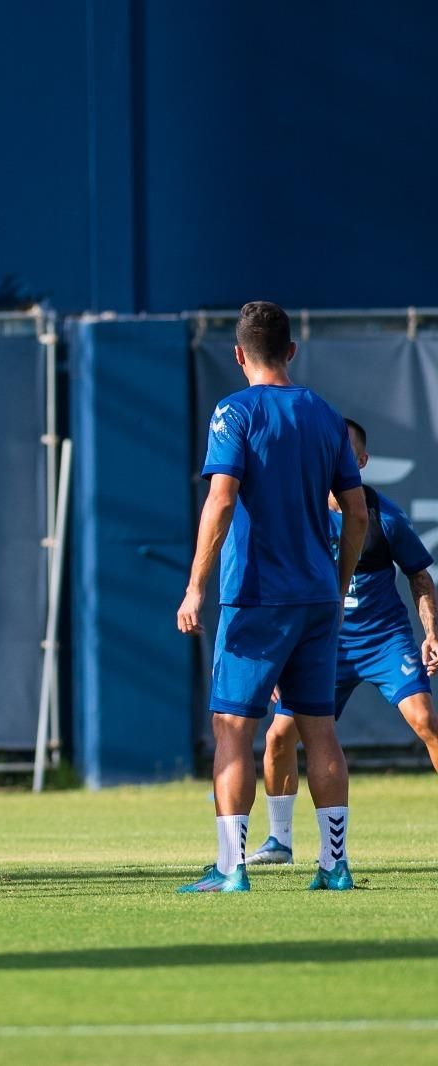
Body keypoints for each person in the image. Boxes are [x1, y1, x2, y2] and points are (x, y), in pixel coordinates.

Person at [176, 301, 368, 893]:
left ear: (238, 355)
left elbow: (222, 500)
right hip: (315, 595)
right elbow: (356, 513)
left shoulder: (234, 411)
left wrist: (195, 586)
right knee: (320, 732)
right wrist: (336, 584)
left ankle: (232, 870)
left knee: (234, 728)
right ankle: (334, 866)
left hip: (257, 595)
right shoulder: (325, 414)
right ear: (291, 351)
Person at [251, 417, 438, 864]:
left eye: (345, 456)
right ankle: (279, 841)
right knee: (278, 738)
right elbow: (279, 587)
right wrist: (278, 656)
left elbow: (419, 576)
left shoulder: (384, 518)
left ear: (361, 461)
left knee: (427, 723)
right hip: (321, 647)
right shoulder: (301, 518)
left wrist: (431, 633)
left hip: (383, 642)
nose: (336, 463)